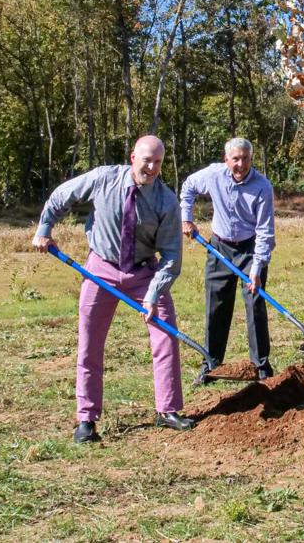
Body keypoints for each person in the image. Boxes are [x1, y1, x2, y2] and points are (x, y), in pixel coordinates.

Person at [31, 134, 194, 443]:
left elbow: (172, 255)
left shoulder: (166, 201)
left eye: (158, 162)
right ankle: (86, 419)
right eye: (147, 160)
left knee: (165, 335)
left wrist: (152, 294)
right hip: (100, 270)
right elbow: (61, 197)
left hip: (144, 273)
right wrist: (44, 230)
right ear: (133, 156)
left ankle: (168, 410)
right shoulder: (103, 178)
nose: (152, 167)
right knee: (90, 343)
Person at [181, 137, 276, 384]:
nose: (241, 164)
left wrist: (256, 268)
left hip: (249, 249)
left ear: (251, 159)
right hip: (219, 248)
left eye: (245, 158)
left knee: (255, 304)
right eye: (235, 158)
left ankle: (262, 366)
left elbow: (265, 231)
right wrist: (186, 218)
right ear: (226, 160)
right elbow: (189, 186)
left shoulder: (262, 186)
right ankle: (211, 364)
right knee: (216, 305)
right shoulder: (213, 175)